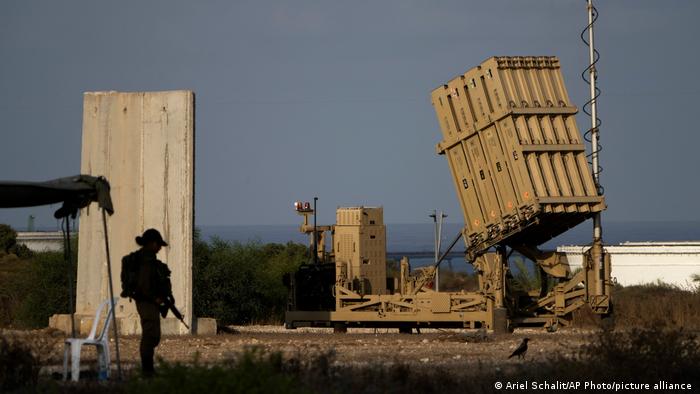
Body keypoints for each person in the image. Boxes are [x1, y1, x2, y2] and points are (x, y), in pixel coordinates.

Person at [123, 228, 172, 377]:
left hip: (149, 301)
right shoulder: (145, 261)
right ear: (151, 243)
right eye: (158, 245)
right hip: (147, 302)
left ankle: (148, 369)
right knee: (150, 335)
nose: (159, 248)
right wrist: (155, 298)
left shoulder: (148, 259)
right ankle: (147, 370)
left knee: (153, 335)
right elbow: (144, 286)